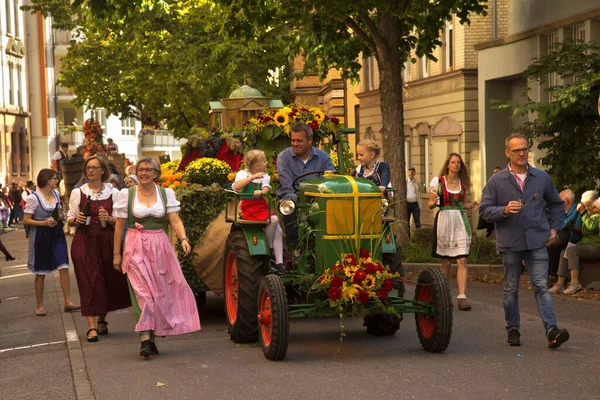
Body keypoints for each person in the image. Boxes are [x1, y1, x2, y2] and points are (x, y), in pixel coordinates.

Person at [479, 132, 569, 348]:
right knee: (511, 288)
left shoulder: (541, 178)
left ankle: (551, 331)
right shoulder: (497, 180)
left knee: (541, 286)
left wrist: (554, 229)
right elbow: (484, 210)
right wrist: (504, 210)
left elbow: (557, 204)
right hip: (510, 241)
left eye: (524, 149)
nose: (521, 153)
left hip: (537, 239)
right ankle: (513, 329)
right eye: (516, 150)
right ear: (507, 153)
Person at [113, 157, 200, 358]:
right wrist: (116, 254)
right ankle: (144, 339)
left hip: (160, 247)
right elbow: (119, 227)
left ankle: (151, 339)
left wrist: (184, 238)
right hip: (135, 246)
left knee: (158, 294)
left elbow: (174, 220)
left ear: (156, 173)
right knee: (143, 294)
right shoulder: (127, 195)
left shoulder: (165, 193)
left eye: (148, 170)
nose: (143, 173)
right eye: (140, 169)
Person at [67, 156, 131, 343]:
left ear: (103, 171)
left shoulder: (115, 192)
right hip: (84, 240)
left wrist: (110, 218)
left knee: (106, 279)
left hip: (108, 241)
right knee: (89, 280)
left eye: (95, 167)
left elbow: (122, 219)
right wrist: (75, 219)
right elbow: (69, 219)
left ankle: (102, 319)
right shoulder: (78, 193)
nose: (91, 171)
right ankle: (91, 327)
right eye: (88, 168)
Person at [24, 169, 80, 316]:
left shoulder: (56, 194)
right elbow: (26, 220)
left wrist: (61, 215)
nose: (57, 181)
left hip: (56, 233)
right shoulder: (34, 198)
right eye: (55, 179)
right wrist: (43, 222)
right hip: (40, 236)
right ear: (47, 180)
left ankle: (68, 301)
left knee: (64, 265)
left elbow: (60, 212)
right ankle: (40, 305)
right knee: (41, 270)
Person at [428, 153, 479, 311]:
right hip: (444, 219)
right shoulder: (438, 181)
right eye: (453, 162)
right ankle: (444, 294)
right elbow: (431, 204)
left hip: (459, 221)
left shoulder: (462, 183)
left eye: (458, 162)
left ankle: (462, 297)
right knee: (447, 261)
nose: (456, 164)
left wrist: (472, 205)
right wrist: (433, 201)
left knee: (462, 259)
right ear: (448, 164)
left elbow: (461, 205)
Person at [276, 122, 335, 248]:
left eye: (299, 141)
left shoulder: (323, 157)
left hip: (317, 199)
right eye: (293, 140)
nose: (295, 144)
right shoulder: (284, 157)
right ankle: (295, 246)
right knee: (290, 200)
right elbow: (287, 186)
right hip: (293, 200)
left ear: (310, 140)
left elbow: (331, 180)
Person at [233, 150, 284, 272]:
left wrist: (262, 192)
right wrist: (252, 178)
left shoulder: (265, 176)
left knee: (278, 230)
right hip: (249, 207)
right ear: (257, 165)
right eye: (264, 161)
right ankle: (268, 247)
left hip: (261, 205)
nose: (267, 163)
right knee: (274, 219)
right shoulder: (242, 174)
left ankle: (279, 262)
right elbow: (237, 186)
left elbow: (266, 188)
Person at [550, 193, 600, 295]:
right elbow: (587, 230)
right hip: (585, 244)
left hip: (595, 246)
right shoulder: (590, 214)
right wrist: (578, 229)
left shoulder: (596, 215)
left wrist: (583, 213)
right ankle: (560, 283)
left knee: (572, 250)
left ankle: (574, 282)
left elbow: (592, 227)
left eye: (590, 205)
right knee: (565, 251)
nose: (588, 208)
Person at [546, 189, 583, 279]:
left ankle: (553, 276)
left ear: (565, 201)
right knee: (546, 244)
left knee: (552, 247)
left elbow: (577, 229)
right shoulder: (561, 212)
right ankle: (546, 275)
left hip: (572, 240)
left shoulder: (576, 211)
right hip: (562, 238)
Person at [476, 167, 502, 238]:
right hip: (492, 214)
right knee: (490, 232)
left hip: (501, 214)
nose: (496, 175)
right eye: (495, 173)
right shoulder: (490, 185)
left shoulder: (505, 185)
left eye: (498, 172)